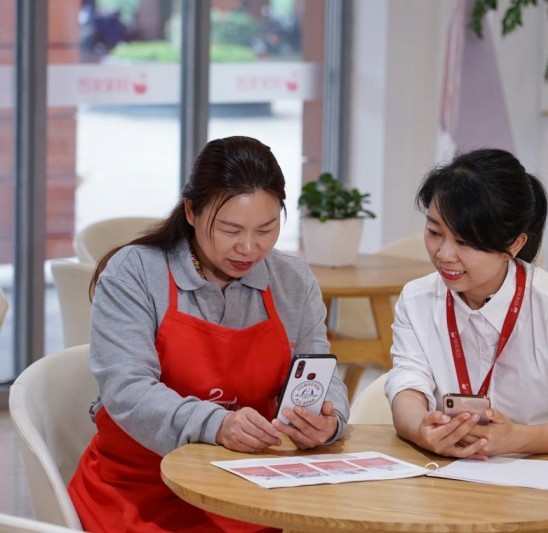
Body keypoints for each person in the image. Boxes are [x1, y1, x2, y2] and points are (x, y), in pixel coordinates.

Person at [68, 136, 350, 532]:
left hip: (247, 487)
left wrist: (328, 419)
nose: (248, 248)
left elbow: (319, 371)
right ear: (191, 211)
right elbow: (127, 390)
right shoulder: (136, 272)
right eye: (230, 229)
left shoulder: (292, 280)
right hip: (138, 487)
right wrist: (216, 424)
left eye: (266, 229)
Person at [386, 148, 548, 460]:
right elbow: (407, 384)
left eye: (465, 242)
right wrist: (420, 430)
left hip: (537, 472)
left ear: (514, 244)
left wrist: (517, 439)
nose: (444, 254)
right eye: (434, 232)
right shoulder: (417, 300)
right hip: (447, 471)